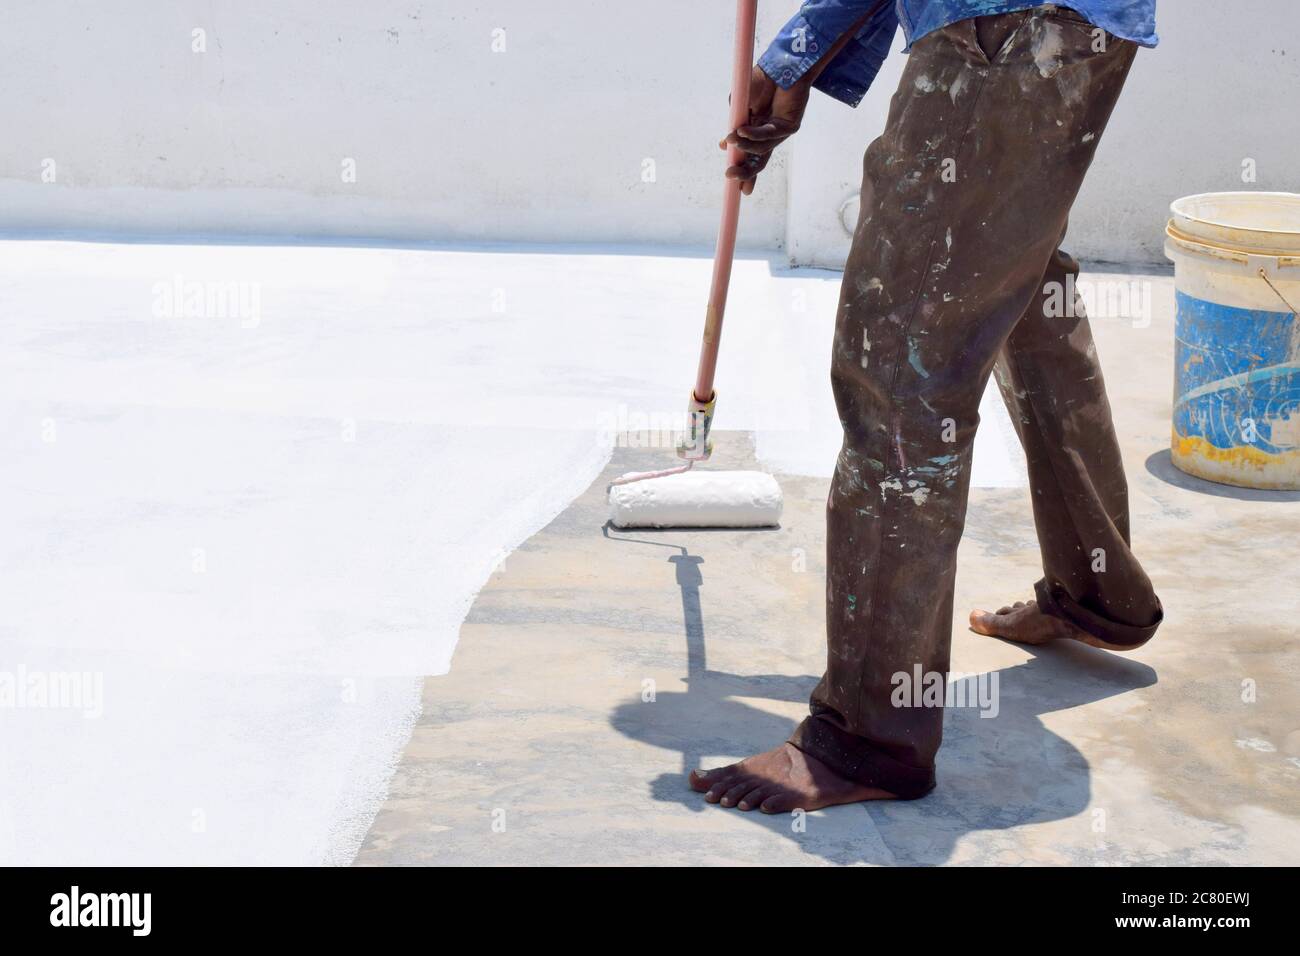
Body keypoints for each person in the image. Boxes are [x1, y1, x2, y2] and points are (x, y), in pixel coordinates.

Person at [689, 0, 1165, 812]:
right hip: (1068, 23)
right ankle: (1100, 590)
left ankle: (872, 736)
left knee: (901, 361)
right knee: (1020, 282)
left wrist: (800, 50)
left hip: (1005, 34)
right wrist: (809, 56)